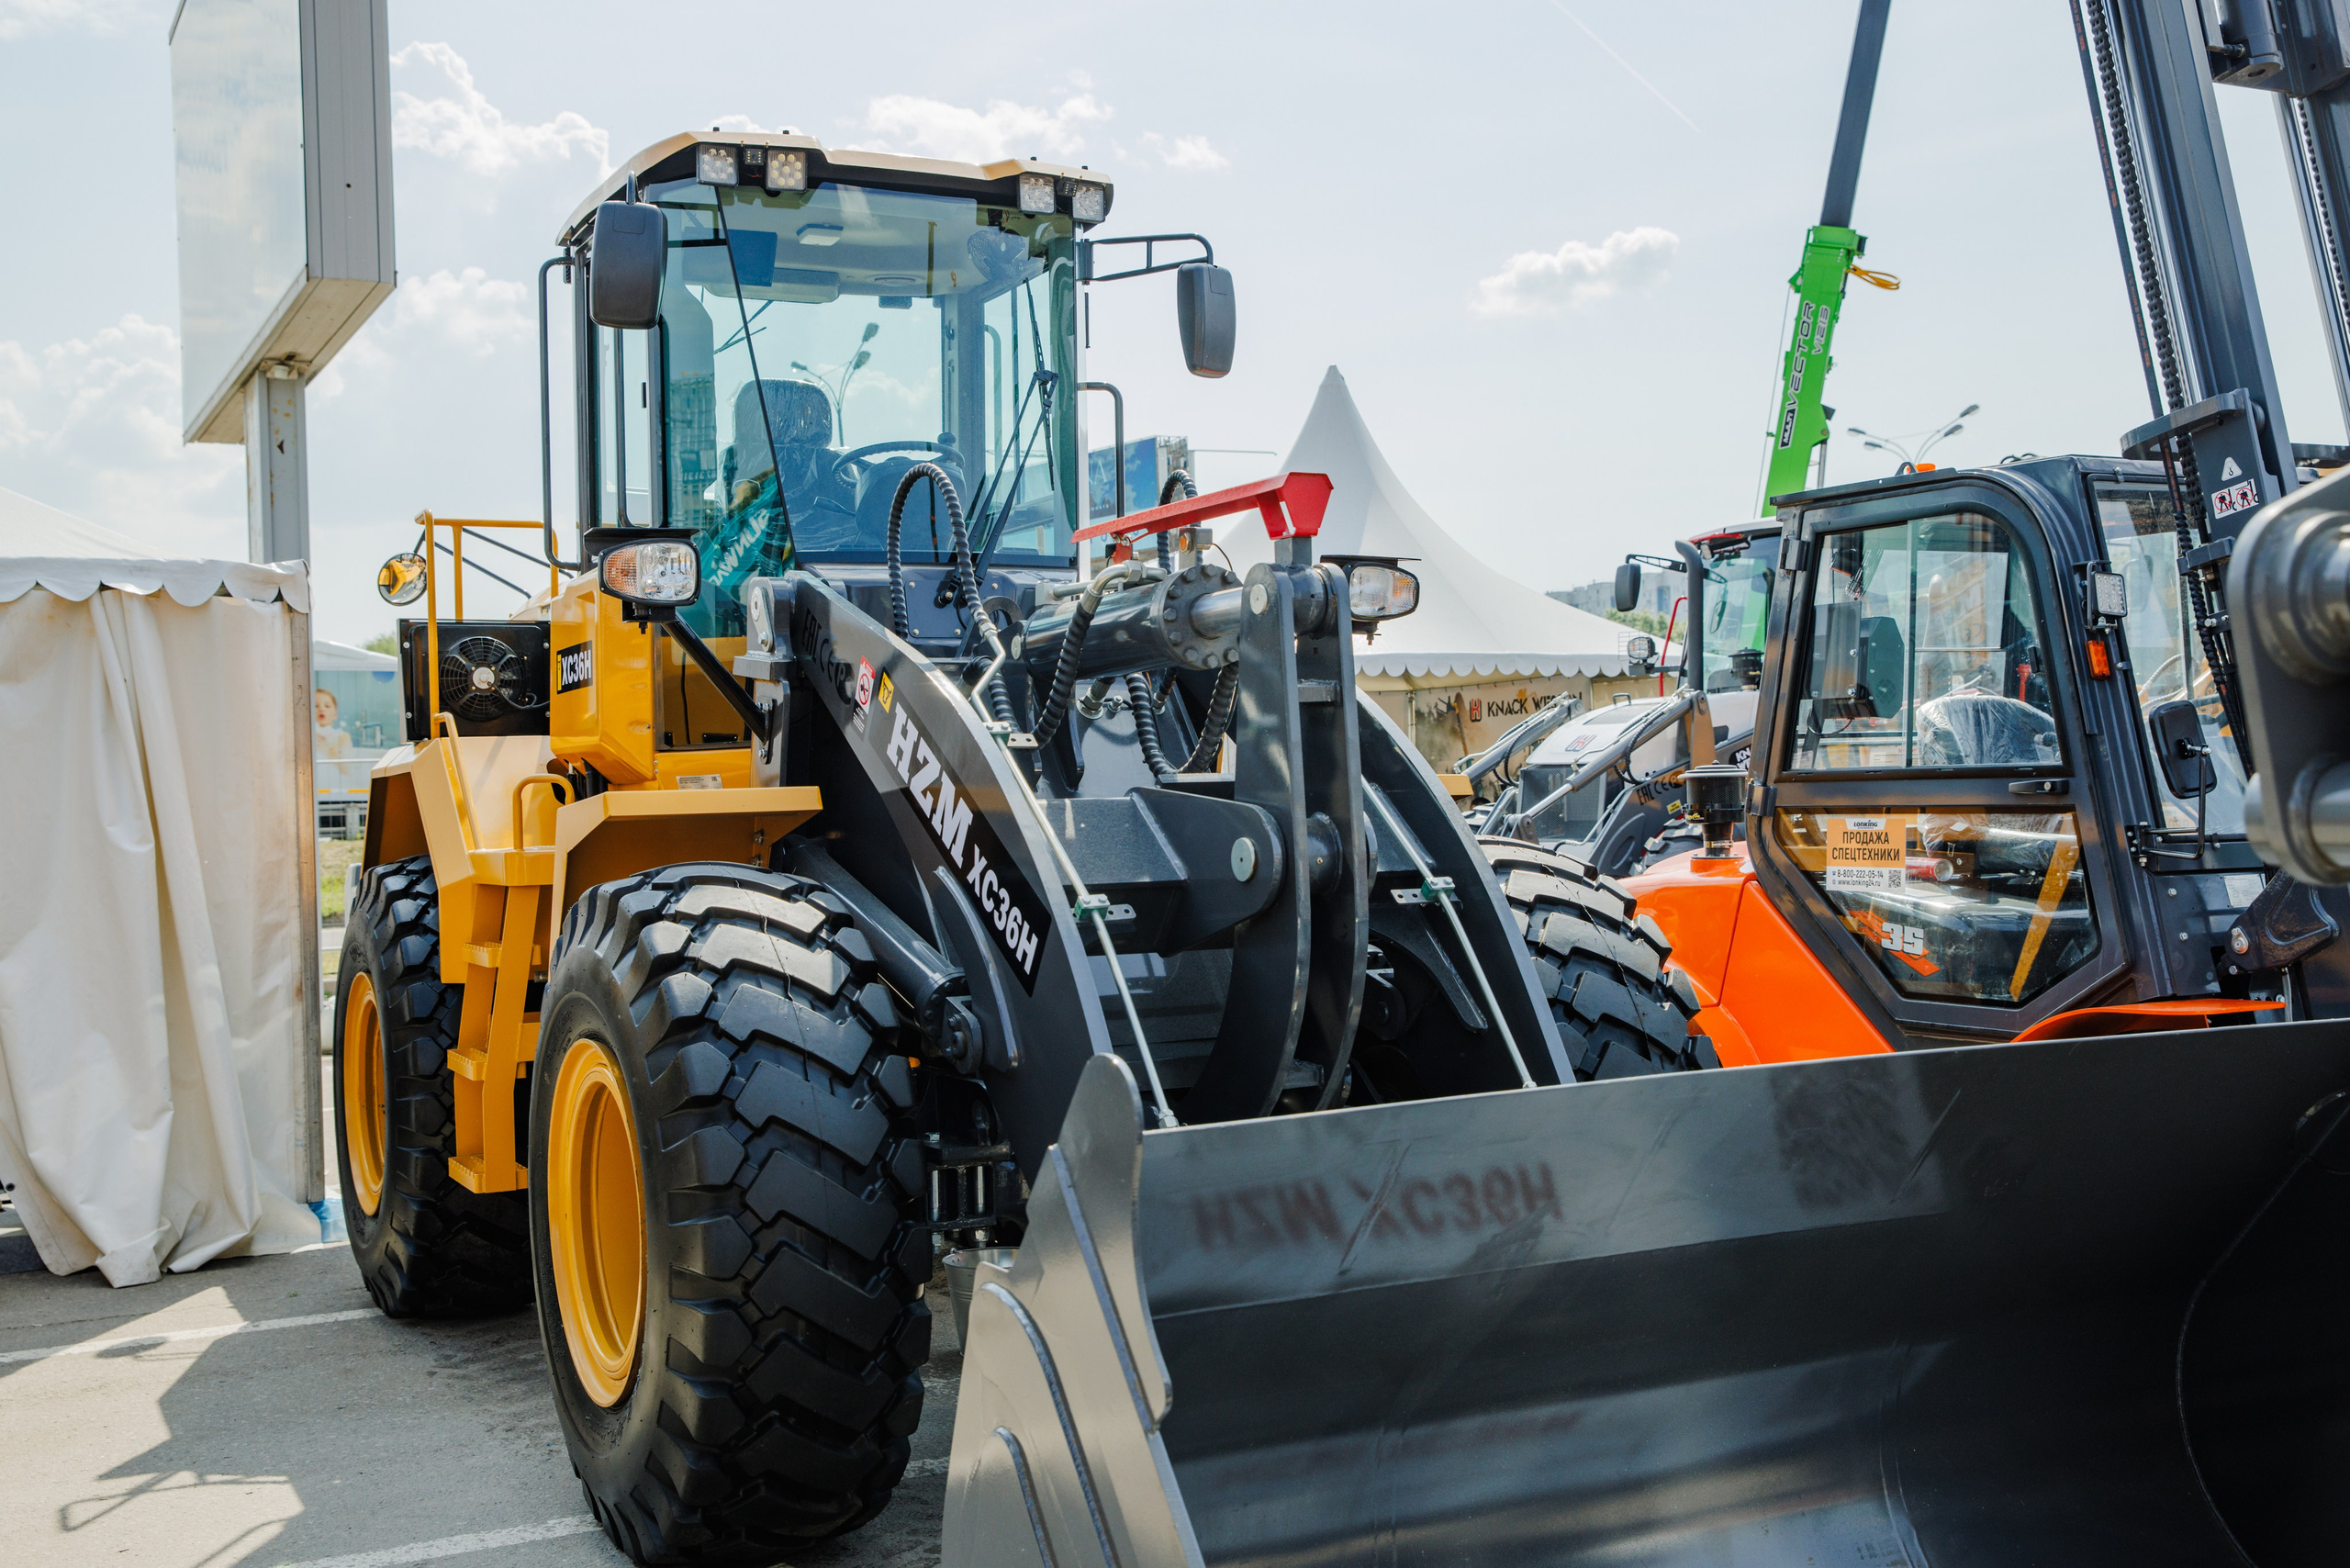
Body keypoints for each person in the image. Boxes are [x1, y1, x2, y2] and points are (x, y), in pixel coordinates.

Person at [313, 687, 352, 759]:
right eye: (315, 706)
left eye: (327, 706)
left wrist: (324, 747)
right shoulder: (307, 736)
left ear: (335, 714)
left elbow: (345, 769)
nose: (321, 709)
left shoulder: (342, 737)